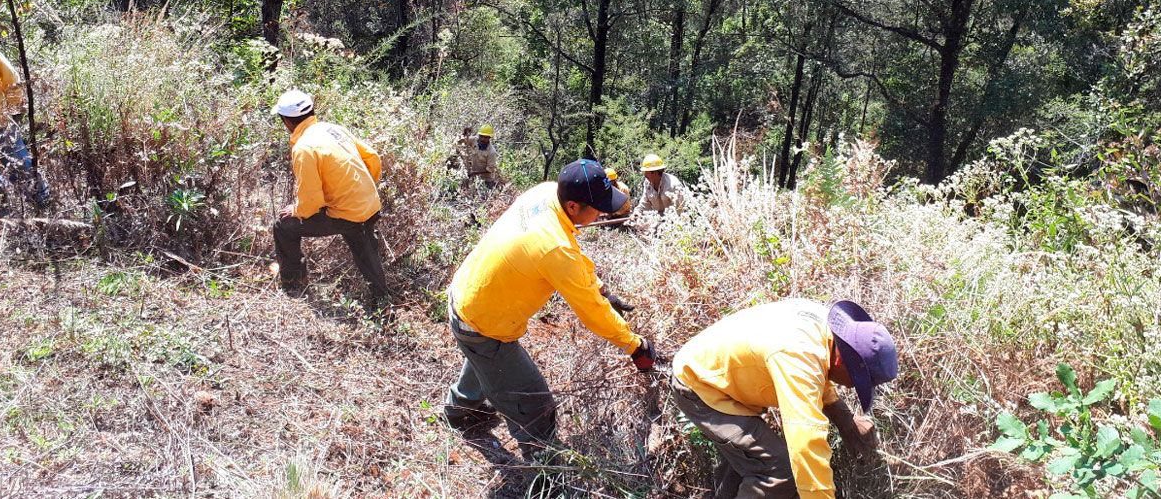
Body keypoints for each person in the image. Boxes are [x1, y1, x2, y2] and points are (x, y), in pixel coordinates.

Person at [443, 158, 657, 459]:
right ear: (573, 206)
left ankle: (458, 411)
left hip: (468, 294)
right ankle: (544, 468)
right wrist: (634, 346)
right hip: (482, 321)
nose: (601, 214)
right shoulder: (554, 248)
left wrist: (602, 290)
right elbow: (591, 311)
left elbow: (572, 256)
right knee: (535, 403)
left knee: (486, 361)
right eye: (598, 208)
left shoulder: (545, 193)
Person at [671, 299, 898, 499]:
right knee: (778, 471)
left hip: (722, 378)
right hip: (700, 385)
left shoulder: (823, 333)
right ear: (841, 360)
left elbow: (818, 374)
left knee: (752, 461)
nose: (850, 387)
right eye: (856, 381)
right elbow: (805, 445)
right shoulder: (798, 355)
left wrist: (845, 420)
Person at [270, 89, 391, 299]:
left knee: (283, 226)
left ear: (286, 121)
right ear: (311, 111)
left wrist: (296, 210)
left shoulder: (303, 148)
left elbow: (311, 201)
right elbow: (373, 157)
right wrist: (361, 190)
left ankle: (293, 284)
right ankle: (382, 302)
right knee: (364, 246)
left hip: (348, 213)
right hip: (370, 203)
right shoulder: (334, 129)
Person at [0, 46, 49, 216]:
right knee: (19, 167)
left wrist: (13, 107)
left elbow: (10, 77)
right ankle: (5, 211)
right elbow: (10, 76)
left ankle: (44, 207)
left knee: (21, 167)